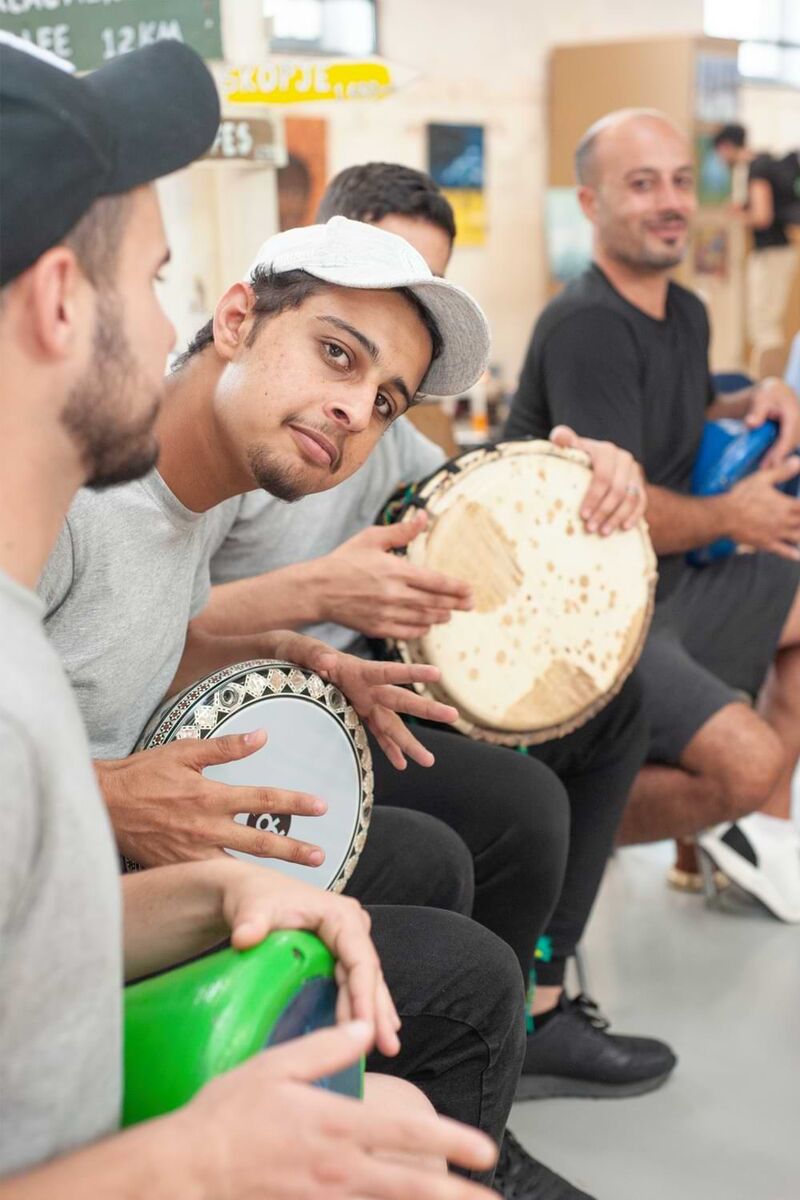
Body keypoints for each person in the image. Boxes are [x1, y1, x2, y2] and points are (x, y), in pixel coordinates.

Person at [0, 35, 506, 1197]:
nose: (352, 410)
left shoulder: (154, 534)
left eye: (380, 401)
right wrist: (194, 1162)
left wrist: (222, 885)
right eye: (155, 280)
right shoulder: (61, 543)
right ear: (60, 302)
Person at [200, 163, 679, 1183]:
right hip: (249, 712)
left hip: (335, 680)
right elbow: (163, 648)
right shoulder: (221, 427)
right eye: (370, 291)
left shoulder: (374, 429)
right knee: (495, 821)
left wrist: (581, 469)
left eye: (426, 281)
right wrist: (312, 611)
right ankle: (454, 1089)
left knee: (598, 726)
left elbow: (471, 494)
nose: (359, 400)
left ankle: (523, 1017)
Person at [506, 109, 800, 923]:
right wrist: (733, 514)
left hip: (668, 589)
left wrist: (754, 394)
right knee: (744, 765)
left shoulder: (686, 311)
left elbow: (692, 405)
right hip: (598, 619)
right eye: (642, 184)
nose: (670, 201)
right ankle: (542, 837)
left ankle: (758, 843)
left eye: (679, 180)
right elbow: (615, 517)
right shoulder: (589, 326)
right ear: (592, 203)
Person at [713, 123, 799, 374]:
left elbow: (762, 216)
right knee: (764, 323)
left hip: (772, 252)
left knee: (764, 324)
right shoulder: (763, 163)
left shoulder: (756, 168)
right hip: (778, 252)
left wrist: (737, 215)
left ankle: (769, 385)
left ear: (726, 147)